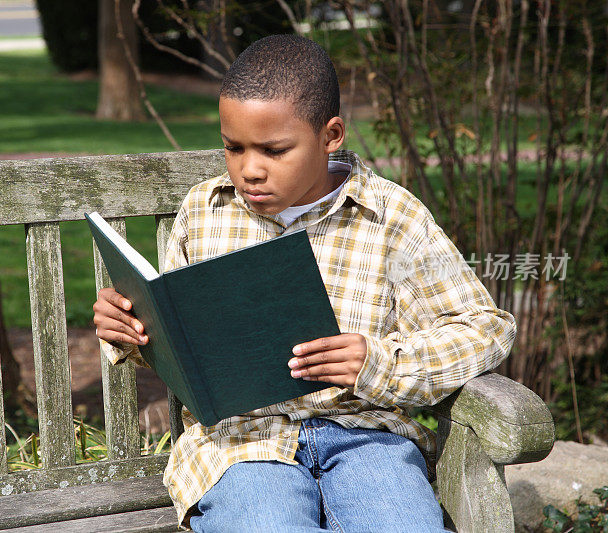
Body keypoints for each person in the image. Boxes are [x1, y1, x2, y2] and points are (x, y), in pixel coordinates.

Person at [92, 34, 516, 532]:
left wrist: (378, 362)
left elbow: (484, 329)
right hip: (242, 447)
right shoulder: (205, 212)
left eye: (274, 150)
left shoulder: (393, 218)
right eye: (233, 147)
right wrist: (131, 328)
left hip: (366, 437)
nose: (250, 169)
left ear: (331, 134)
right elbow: (181, 339)